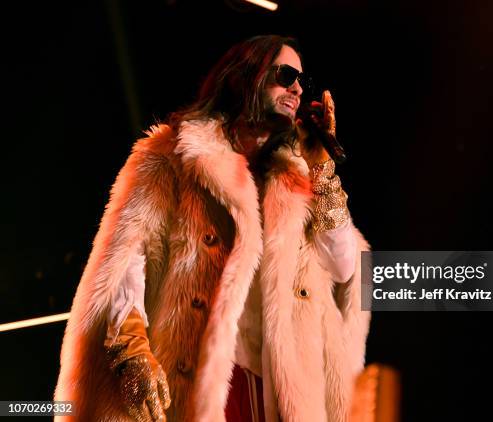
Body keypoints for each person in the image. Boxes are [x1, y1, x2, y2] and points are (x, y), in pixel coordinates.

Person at [55, 34, 370, 421]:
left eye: (302, 80)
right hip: (208, 376)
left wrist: (321, 170)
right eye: (286, 74)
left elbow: (344, 268)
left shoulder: (296, 177)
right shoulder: (174, 156)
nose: (297, 87)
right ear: (244, 78)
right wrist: (131, 345)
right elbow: (128, 255)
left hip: (280, 387)